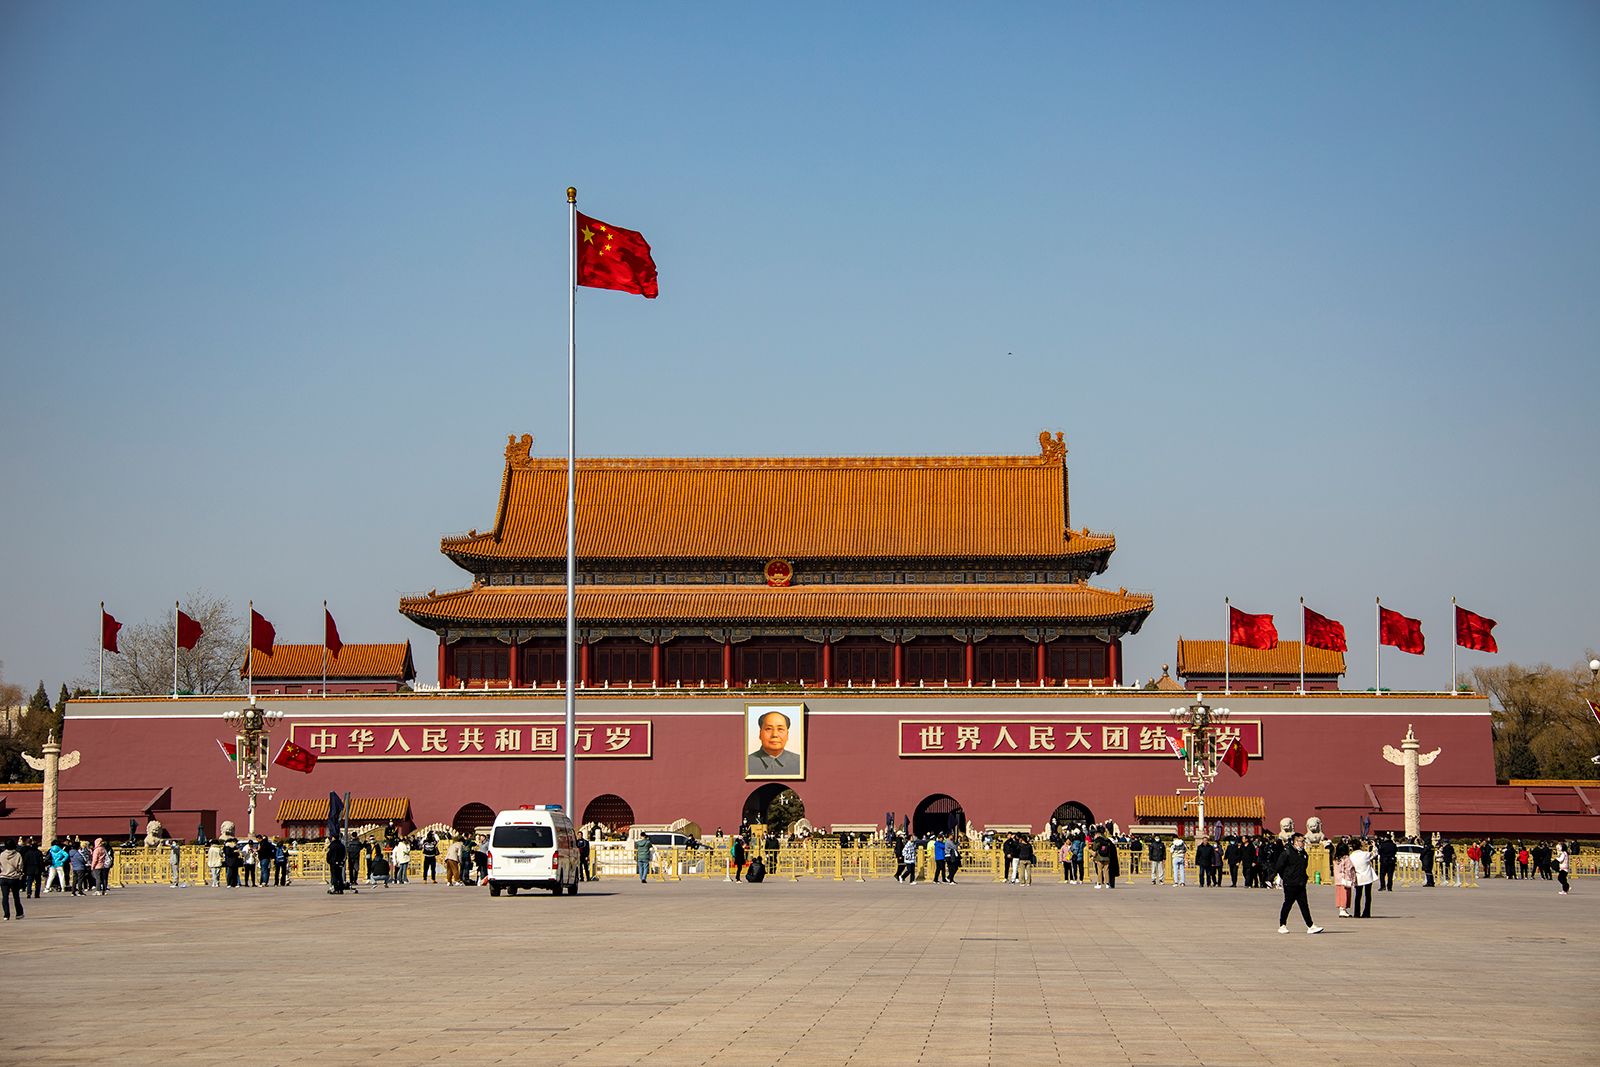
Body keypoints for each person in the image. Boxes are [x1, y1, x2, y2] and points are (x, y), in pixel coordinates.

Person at [1273, 832, 1323, 934]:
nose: (1303, 843)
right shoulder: (1287, 853)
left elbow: (1304, 867)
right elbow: (1279, 867)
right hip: (1290, 883)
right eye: (1301, 841)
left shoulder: (1303, 854)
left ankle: (1310, 925)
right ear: (1295, 842)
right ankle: (1282, 925)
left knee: (1304, 905)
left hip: (1300, 883)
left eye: (1303, 841)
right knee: (1288, 904)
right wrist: (1286, 877)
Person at [746, 710, 800, 775]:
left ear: (787, 735)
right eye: (768, 729)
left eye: (780, 729)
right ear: (760, 734)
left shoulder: (800, 762)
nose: (774, 734)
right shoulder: (745, 763)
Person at [1349, 838, 1377, 918]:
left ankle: (1356, 913)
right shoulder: (1365, 854)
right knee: (1368, 895)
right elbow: (1374, 853)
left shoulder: (1351, 856)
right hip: (1367, 876)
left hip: (1358, 877)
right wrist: (1374, 846)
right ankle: (1367, 912)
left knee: (1358, 895)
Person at [0, 839, 24, 920]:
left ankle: (6, 915)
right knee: (16, 896)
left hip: (3, 877)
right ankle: (19, 913)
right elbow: (20, 866)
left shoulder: (2, 855)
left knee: (5, 897)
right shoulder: (17, 855)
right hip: (14, 878)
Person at [1333, 842, 1355, 917]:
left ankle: (1341, 909)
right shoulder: (1346, 858)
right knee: (1345, 894)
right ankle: (1343, 909)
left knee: (1339, 894)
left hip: (1338, 879)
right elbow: (1349, 869)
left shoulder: (1336, 859)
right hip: (1345, 879)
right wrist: (1352, 878)